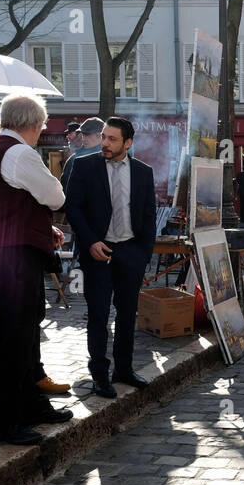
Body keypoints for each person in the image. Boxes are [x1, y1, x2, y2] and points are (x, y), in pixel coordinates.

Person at [0, 94, 71, 444]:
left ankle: (29, 403)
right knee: (17, 338)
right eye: (43, 125)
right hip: (16, 259)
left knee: (20, 334)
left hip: (2, 253)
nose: (42, 130)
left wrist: (39, 226)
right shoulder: (19, 152)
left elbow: (4, 203)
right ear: (33, 124)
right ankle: (7, 418)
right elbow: (55, 195)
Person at [65, 116, 157, 399]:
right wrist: (90, 242)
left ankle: (124, 369)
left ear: (127, 143)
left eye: (112, 139)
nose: (105, 143)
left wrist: (142, 254)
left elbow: (148, 215)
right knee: (99, 316)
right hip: (98, 253)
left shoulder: (143, 172)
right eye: (104, 137)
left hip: (130, 252)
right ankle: (100, 376)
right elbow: (73, 208)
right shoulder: (83, 166)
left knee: (128, 315)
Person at [60, 116, 104, 190]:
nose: (83, 139)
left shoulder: (111, 157)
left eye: (87, 135)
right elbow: (65, 186)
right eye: (83, 135)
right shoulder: (74, 159)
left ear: (100, 135)